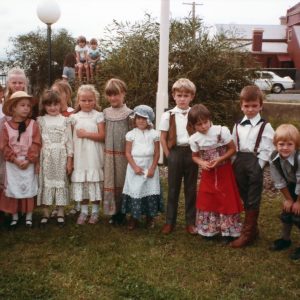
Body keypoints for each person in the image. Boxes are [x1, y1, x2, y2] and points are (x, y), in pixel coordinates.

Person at [187, 104, 243, 242]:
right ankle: (210, 230)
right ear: (193, 126)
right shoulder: (194, 139)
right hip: (208, 173)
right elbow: (195, 156)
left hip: (224, 170)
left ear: (210, 119)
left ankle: (228, 231)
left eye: (205, 122)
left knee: (226, 198)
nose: (204, 127)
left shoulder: (221, 131)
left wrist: (220, 159)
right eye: (199, 124)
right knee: (208, 199)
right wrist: (202, 163)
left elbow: (232, 149)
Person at [230, 85, 275, 248]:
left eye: (254, 106)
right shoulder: (236, 125)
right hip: (239, 162)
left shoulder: (265, 126)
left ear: (260, 106)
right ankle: (253, 230)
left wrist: (260, 164)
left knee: (253, 196)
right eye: (246, 106)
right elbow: (233, 145)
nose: (250, 109)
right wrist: (233, 162)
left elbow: (270, 147)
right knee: (243, 194)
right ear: (241, 106)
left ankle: (248, 234)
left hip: (255, 161)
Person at [159, 78, 198, 235]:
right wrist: (169, 155)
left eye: (186, 95)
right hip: (175, 153)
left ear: (191, 97)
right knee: (173, 189)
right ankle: (170, 222)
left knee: (191, 189)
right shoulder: (168, 115)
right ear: (174, 96)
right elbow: (162, 137)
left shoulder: (195, 113)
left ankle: (191, 222)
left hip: (192, 153)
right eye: (179, 95)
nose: (182, 99)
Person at [0, 91, 41, 228]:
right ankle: (15, 216)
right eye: (22, 105)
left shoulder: (33, 125)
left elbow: (36, 143)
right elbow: (4, 145)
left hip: (28, 162)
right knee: (13, 187)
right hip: (13, 163)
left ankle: (28, 216)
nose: (26, 108)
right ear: (13, 108)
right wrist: (15, 159)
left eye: (28, 106)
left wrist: (29, 160)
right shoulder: (6, 126)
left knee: (28, 187)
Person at [121, 105, 163, 230]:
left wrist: (152, 168)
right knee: (136, 190)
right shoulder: (131, 134)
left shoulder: (154, 134)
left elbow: (156, 153)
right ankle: (134, 218)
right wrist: (135, 167)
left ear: (149, 120)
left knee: (149, 189)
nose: (140, 121)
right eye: (138, 118)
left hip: (149, 166)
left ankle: (150, 218)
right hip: (135, 167)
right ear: (134, 119)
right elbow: (127, 153)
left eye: (144, 119)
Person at [37, 90, 73, 227]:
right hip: (46, 156)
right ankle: (46, 212)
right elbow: (38, 142)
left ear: (61, 104)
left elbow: (69, 142)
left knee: (61, 183)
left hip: (61, 156)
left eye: (55, 104)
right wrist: (37, 162)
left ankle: (60, 212)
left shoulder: (65, 121)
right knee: (46, 183)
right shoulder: (41, 121)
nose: (52, 107)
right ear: (44, 106)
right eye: (49, 105)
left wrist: (69, 161)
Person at [70, 85, 105, 225]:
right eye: (83, 100)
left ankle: (95, 211)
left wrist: (86, 134)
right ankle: (84, 211)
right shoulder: (74, 117)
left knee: (93, 181)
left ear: (95, 100)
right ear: (78, 100)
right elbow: (71, 139)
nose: (87, 103)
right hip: (80, 156)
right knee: (83, 182)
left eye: (90, 100)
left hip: (94, 155)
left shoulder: (98, 116)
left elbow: (102, 135)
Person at [103, 78, 133, 225]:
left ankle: (122, 212)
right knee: (110, 182)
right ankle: (111, 212)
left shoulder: (129, 114)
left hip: (123, 155)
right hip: (109, 154)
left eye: (116, 94)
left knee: (122, 182)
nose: (113, 98)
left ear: (123, 94)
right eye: (110, 95)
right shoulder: (105, 113)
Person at [269, 124, 300, 260]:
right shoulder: (274, 157)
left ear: (296, 145)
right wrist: (289, 199)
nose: (285, 147)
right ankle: (285, 239)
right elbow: (279, 181)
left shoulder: (299, 159)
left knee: (299, 216)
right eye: (281, 144)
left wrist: (298, 202)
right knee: (287, 212)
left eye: (289, 144)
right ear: (276, 144)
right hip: (291, 187)